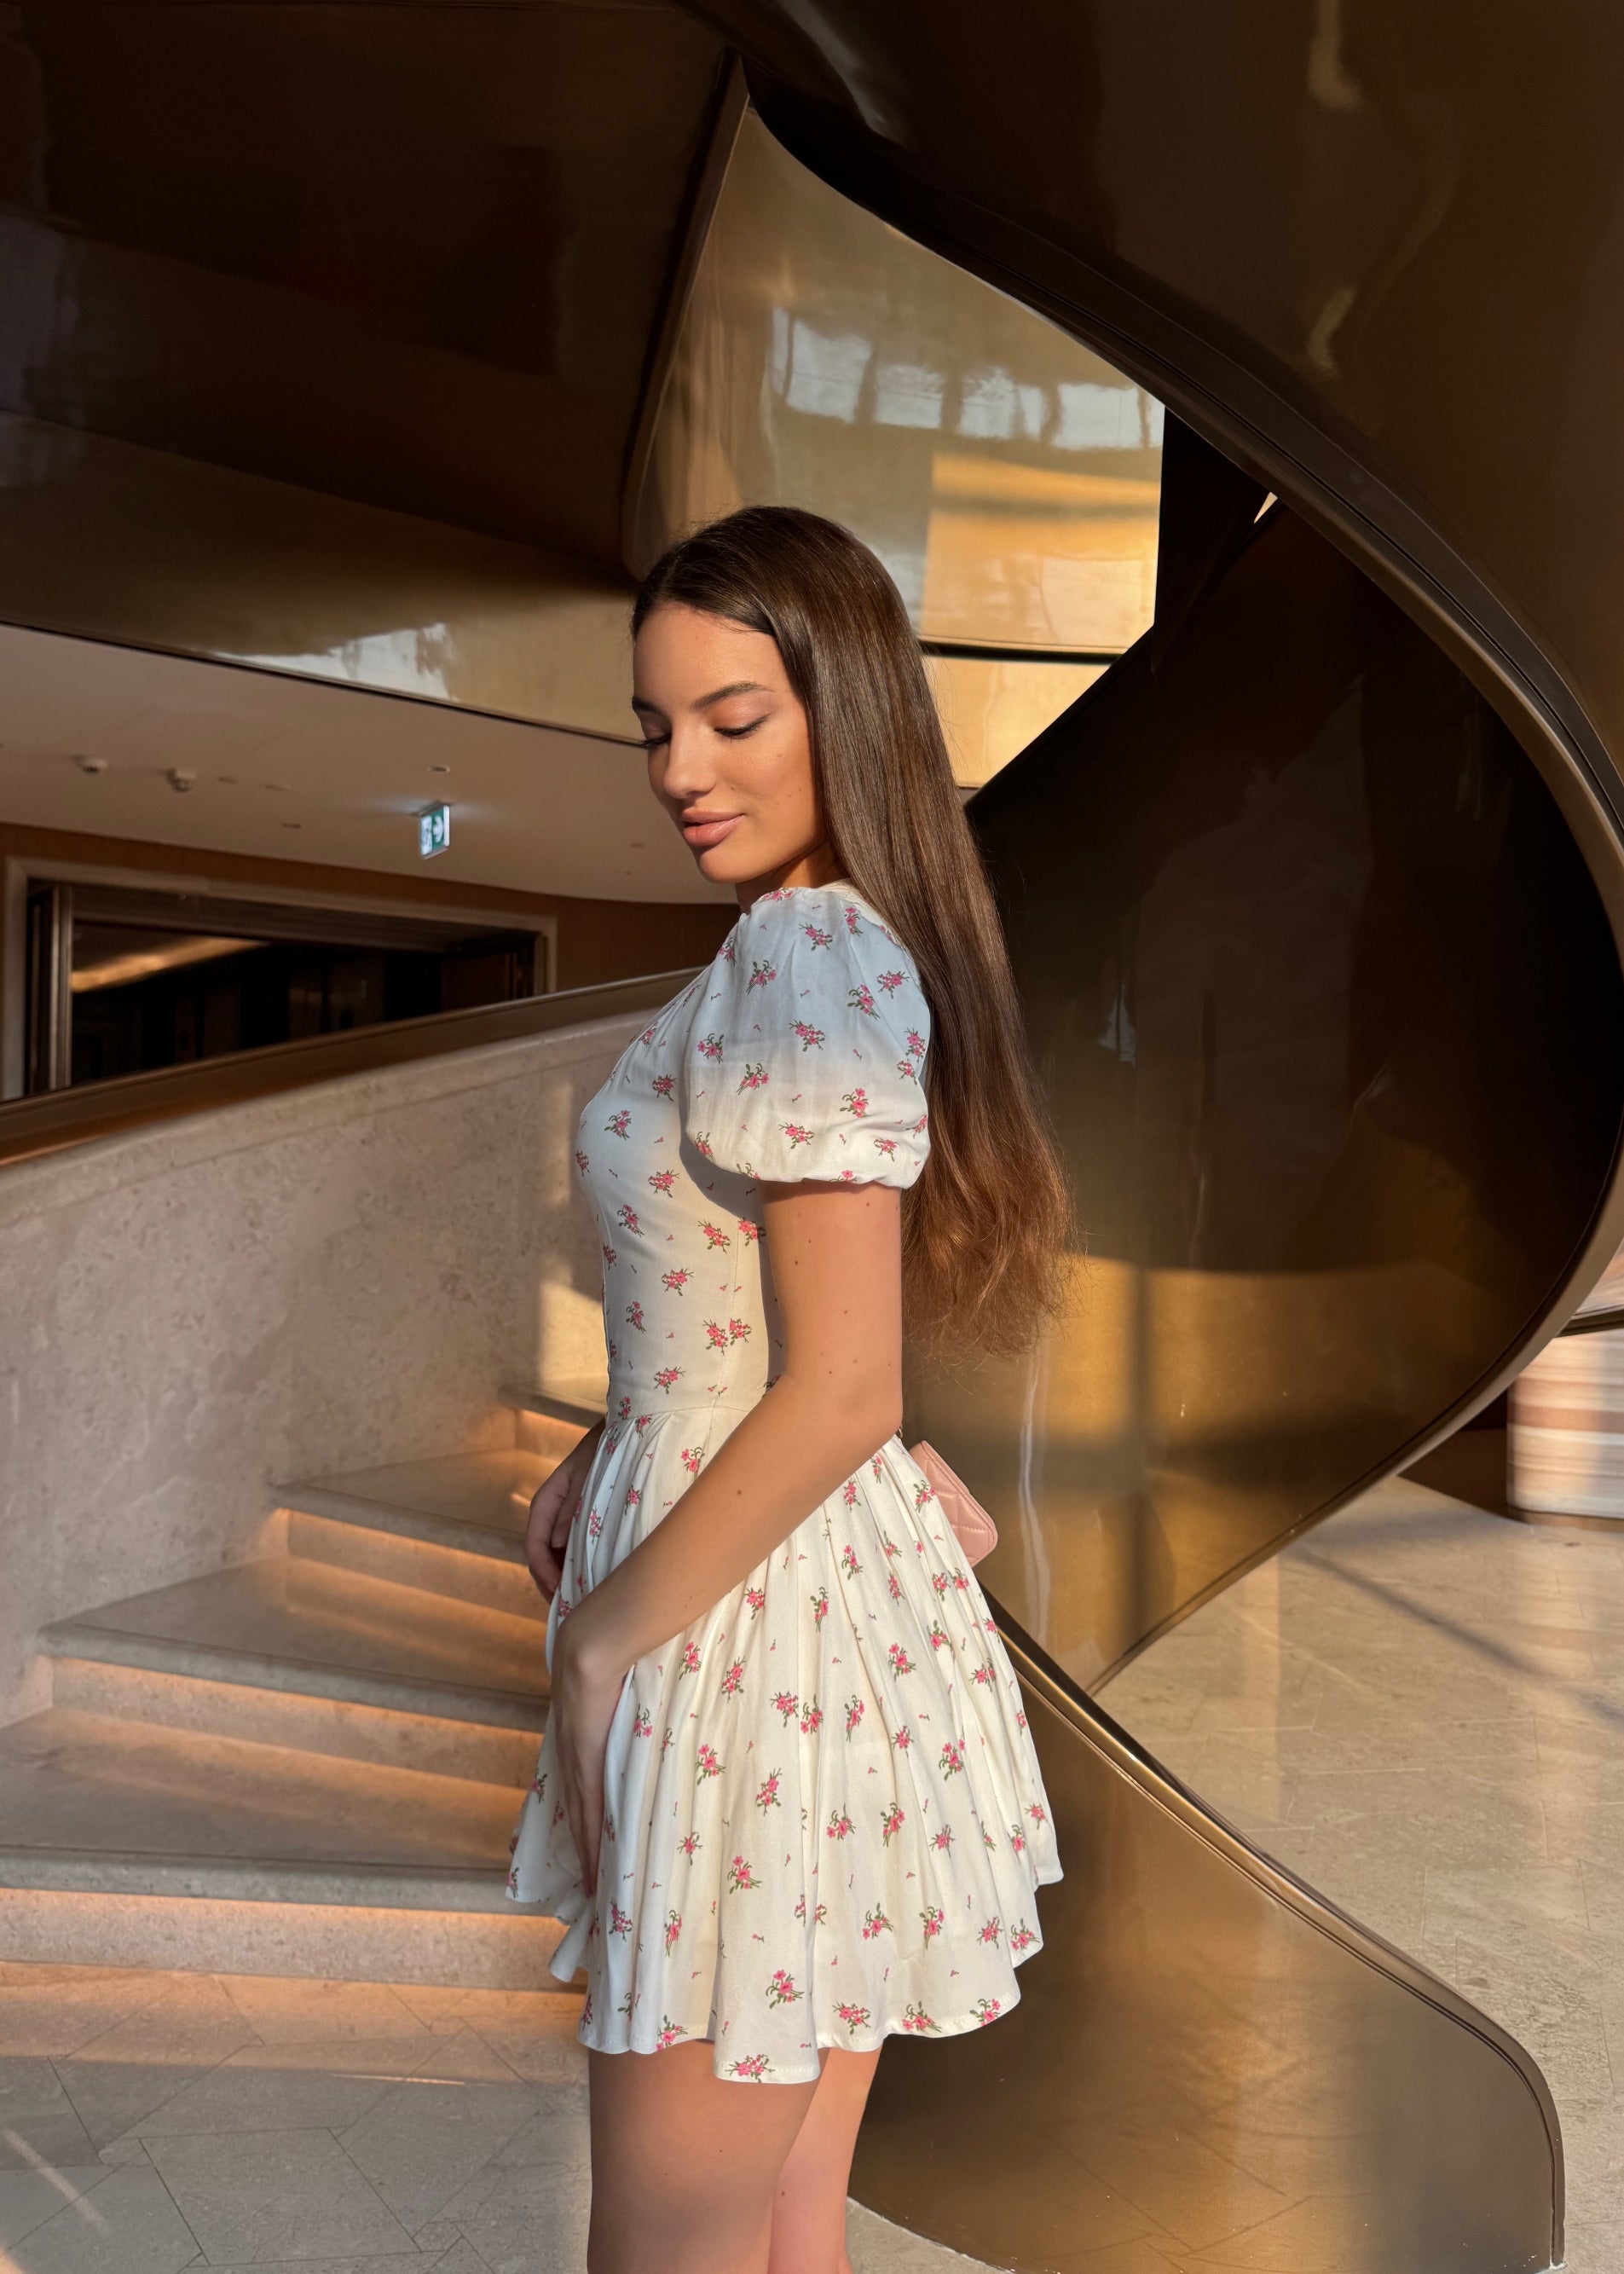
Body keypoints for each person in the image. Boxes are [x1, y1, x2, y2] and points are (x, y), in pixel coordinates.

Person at [507, 503, 1069, 2272]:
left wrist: (601, 1635)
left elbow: (835, 1387)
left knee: (667, 2240)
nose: (680, 765)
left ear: (847, 708)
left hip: (738, 1643)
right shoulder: (830, 942)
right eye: (654, 724)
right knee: (780, 2208)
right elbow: (783, 1331)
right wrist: (611, 1435)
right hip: (810, 1628)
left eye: (731, 715)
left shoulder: (799, 951)